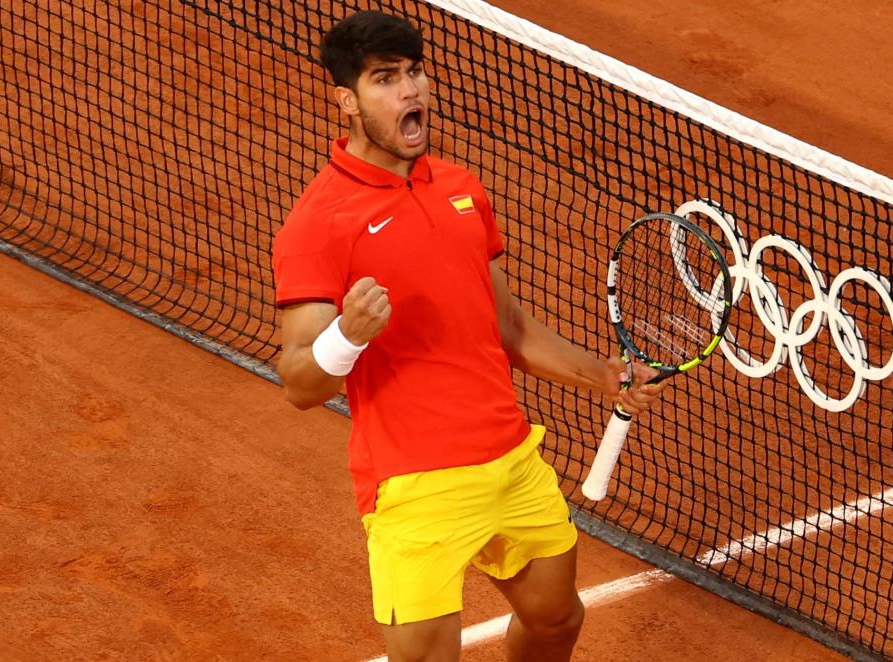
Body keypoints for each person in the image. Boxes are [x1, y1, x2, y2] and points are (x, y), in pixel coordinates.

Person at [270, 11, 664, 662]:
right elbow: (299, 383)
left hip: (509, 461)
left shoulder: (460, 189)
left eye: (416, 73)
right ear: (345, 100)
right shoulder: (318, 225)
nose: (411, 91)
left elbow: (506, 324)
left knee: (557, 620)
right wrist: (349, 334)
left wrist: (602, 373)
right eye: (386, 79)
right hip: (415, 485)